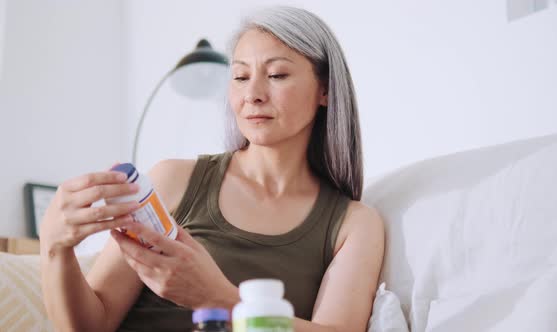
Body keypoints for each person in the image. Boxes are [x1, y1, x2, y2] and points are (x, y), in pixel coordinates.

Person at [40, 6, 384, 332]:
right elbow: (90, 325)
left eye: (277, 74)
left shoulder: (354, 225)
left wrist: (216, 296)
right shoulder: (173, 180)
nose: (253, 94)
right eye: (240, 76)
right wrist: (55, 248)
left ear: (325, 89)